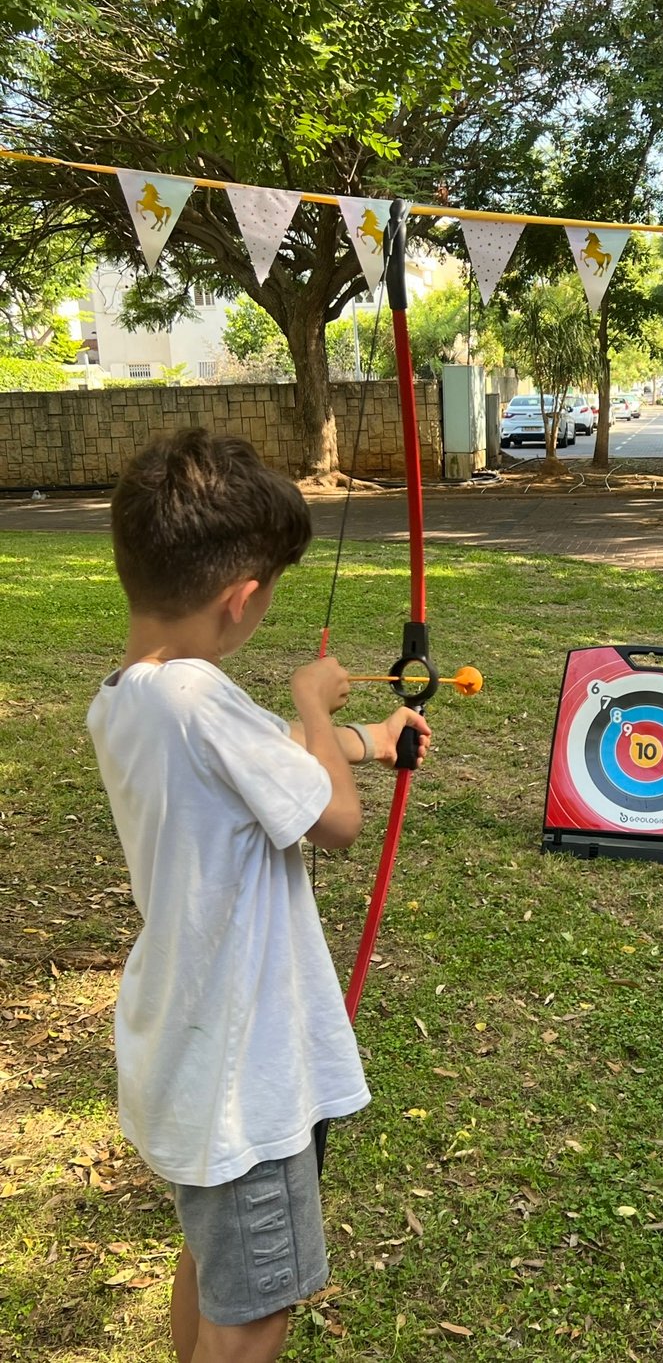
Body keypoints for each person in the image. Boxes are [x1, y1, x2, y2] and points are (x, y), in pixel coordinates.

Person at [87, 429, 430, 1363]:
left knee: (216, 1271)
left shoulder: (132, 695)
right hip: (242, 1077)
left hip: (189, 1052)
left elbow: (263, 754)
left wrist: (369, 738)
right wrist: (317, 703)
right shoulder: (198, 698)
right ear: (241, 598)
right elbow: (335, 820)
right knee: (256, 1311)